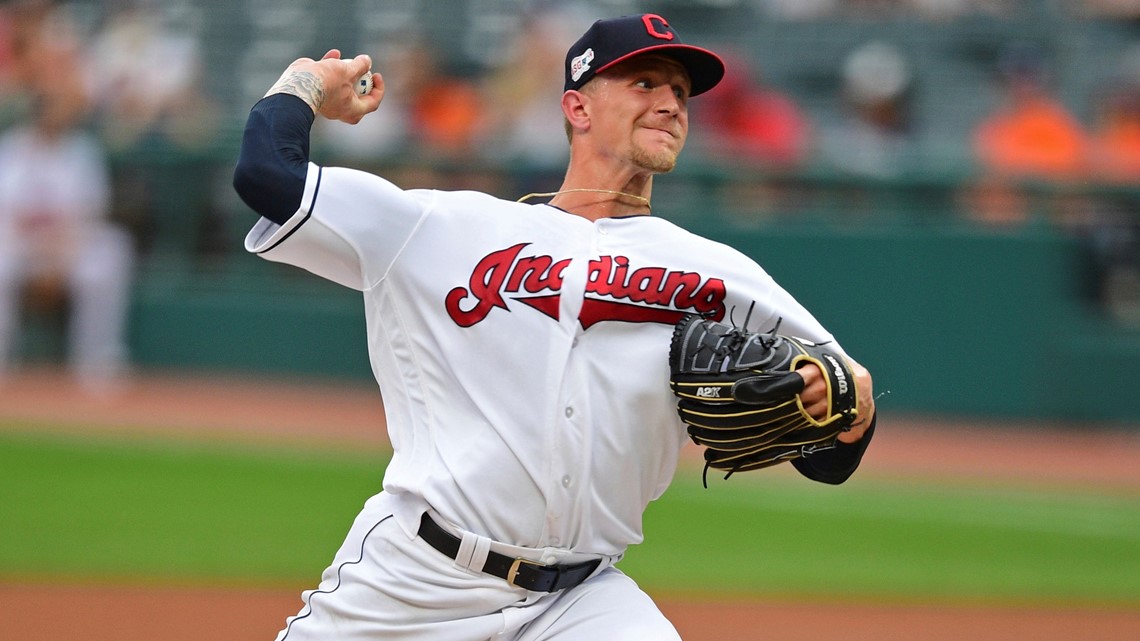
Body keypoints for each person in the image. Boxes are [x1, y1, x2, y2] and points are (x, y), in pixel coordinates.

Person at [232, 13, 877, 640]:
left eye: (680, 92)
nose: (671, 103)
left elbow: (829, 448)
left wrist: (851, 413)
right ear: (578, 109)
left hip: (578, 601)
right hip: (413, 580)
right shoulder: (438, 227)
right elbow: (267, 177)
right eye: (644, 83)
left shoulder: (722, 272)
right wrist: (306, 85)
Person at [0, 81, 134, 388]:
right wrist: (38, 249)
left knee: (111, 253)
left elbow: (90, 212)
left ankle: (97, 360)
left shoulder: (82, 150)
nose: (59, 115)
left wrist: (60, 251)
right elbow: (6, 212)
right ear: (37, 111)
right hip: (18, 244)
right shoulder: (11, 147)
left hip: (71, 245)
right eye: (52, 108)